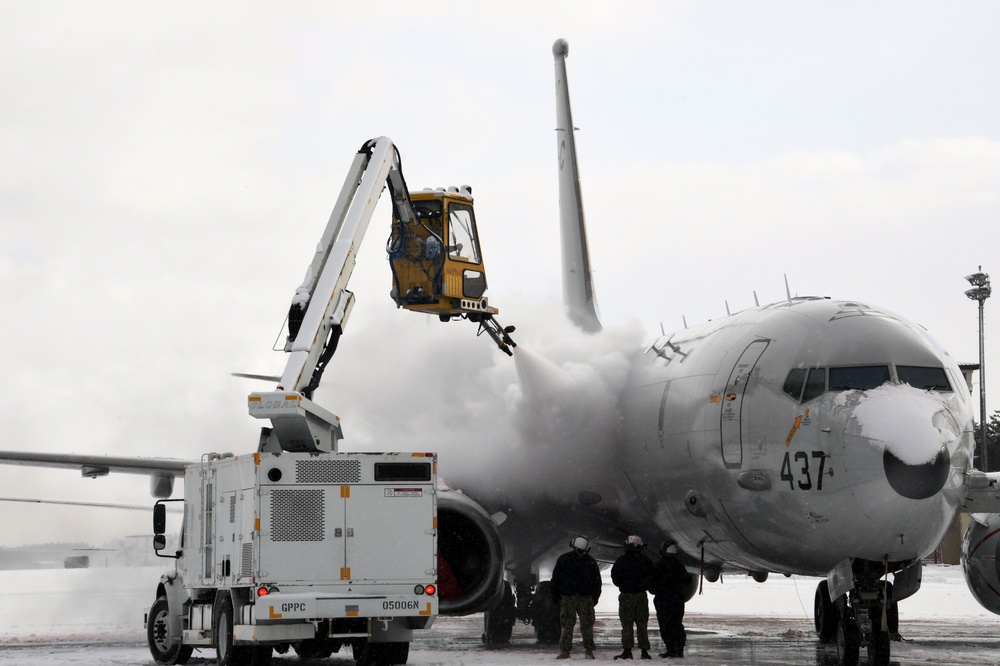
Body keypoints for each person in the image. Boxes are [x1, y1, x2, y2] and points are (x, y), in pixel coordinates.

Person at [551, 535, 602, 660]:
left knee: (567, 625)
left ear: (573, 545)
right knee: (587, 625)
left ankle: (565, 651)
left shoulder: (563, 559)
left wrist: (556, 597)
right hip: (585, 598)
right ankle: (589, 650)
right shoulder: (590, 561)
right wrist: (594, 598)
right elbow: (597, 583)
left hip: (568, 598)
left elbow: (555, 580)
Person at [610, 535, 653, 660]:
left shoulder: (621, 560)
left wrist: (625, 584)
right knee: (642, 624)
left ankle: (627, 651)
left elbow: (616, 578)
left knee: (627, 624)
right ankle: (644, 651)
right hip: (641, 595)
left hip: (626, 596)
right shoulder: (646, 560)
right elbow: (652, 576)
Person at [650, 542, 691, 659]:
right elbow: (687, 580)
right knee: (677, 624)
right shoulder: (679, 565)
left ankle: (671, 649)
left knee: (666, 625)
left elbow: (652, 584)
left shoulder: (659, 565)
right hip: (677, 600)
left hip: (663, 600)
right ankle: (680, 649)